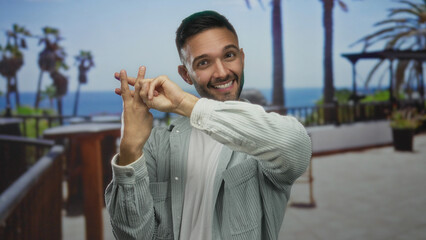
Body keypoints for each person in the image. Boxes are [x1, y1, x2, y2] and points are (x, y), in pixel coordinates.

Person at [105, 10, 311, 240]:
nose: (222, 72)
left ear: (242, 58)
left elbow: (296, 146)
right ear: (185, 74)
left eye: (229, 55)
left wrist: (184, 102)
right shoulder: (156, 145)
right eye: (204, 62)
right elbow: (132, 236)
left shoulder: (262, 138)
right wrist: (130, 149)